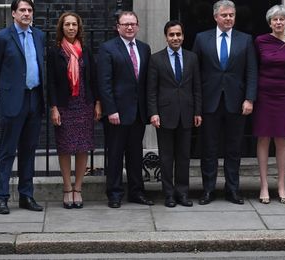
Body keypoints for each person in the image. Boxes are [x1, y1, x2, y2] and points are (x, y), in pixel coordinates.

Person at [192, 0, 258, 205]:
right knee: (209, 149)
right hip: (210, 102)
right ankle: (208, 190)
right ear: (215, 17)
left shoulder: (245, 40)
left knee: (233, 149)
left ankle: (233, 190)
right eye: (224, 15)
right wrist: (197, 104)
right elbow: (194, 73)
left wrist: (249, 98)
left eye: (231, 15)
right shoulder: (201, 39)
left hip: (236, 102)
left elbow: (251, 71)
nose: (228, 18)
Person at [0, 0, 45, 215]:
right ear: (13, 13)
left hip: (34, 98)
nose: (26, 14)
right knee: (7, 151)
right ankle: (1, 197)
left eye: (30, 10)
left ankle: (26, 195)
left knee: (29, 151)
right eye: (22, 10)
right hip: (13, 100)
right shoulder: (2, 37)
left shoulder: (38, 35)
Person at [98, 11, 153, 208]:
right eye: (125, 24)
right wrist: (110, 110)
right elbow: (104, 83)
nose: (129, 27)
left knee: (135, 154)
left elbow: (146, 82)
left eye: (133, 24)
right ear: (118, 27)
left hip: (138, 113)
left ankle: (136, 192)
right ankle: (114, 193)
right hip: (117, 114)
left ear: (137, 26)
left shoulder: (144, 49)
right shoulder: (108, 48)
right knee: (114, 154)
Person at [47, 12, 101, 209]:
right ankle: (67, 189)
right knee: (64, 148)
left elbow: (93, 79)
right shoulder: (55, 52)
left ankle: (78, 189)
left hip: (84, 104)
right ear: (61, 28)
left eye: (74, 25)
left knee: (82, 147)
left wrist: (97, 103)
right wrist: (53, 107)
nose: (71, 28)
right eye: (67, 24)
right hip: (64, 105)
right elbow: (51, 82)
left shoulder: (85, 51)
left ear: (79, 28)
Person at [147, 20, 202, 208]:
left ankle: (182, 193)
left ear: (183, 36)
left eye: (178, 34)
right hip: (164, 115)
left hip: (186, 114)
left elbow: (197, 88)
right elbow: (151, 90)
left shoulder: (192, 58)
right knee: (166, 157)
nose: (175, 38)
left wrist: (197, 111)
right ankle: (169, 195)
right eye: (172, 35)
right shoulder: (155, 59)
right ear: (166, 37)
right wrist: (153, 113)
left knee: (184, 157)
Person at [252, 5, 285, 204]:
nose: (278, 22)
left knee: (281, 140)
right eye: (275, 19)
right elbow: (253, 69)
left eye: (282, 19)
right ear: (269, 23)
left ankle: (281, 185)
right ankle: (264, 185)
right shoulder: (260, 41)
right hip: (264, 95)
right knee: (263, 138)